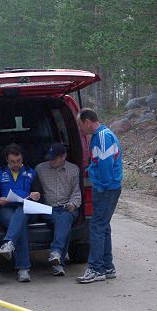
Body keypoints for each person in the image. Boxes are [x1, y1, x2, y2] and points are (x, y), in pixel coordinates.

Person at [75, 108, 123, 284]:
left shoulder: (102, 137)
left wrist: (101, 187)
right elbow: (97, 164)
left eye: (80, 125)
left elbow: (105, 166)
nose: (80, 129)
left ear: (88, 121)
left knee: (96, 227)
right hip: (107, 188)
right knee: (104, 227)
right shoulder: (99, 136)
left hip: (106, 189)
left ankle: (95, 269)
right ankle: (108, 267)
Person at [33, 143, 81, 277]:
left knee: (65, 217)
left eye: (54, 158)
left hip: (68, 207)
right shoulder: (40, 169)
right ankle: (57, 259)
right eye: (50, 157)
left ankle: (56, 254)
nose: (51, 161)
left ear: (63, 157)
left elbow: (76, 193)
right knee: (63, 221)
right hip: (49, 208)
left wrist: (73, 204)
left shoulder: (73, 170)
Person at [0, 144, 40, 282]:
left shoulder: (31, 172)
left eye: (18, 161)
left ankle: (9, 243)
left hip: (27, 208)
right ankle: (23, 269)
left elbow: (38, 192)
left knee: (21, 213)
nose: (16, 164)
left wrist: (36, 195)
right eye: (12, 162)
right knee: (19, 225)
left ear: (22, 158)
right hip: (6, 208)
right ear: (6, 160)